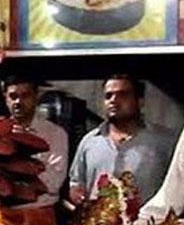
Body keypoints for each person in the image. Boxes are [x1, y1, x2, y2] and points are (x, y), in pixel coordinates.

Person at [69, 75, 177, 206]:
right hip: (99, 223)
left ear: (140, 101)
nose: (113, 100)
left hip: (147, 223)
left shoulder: (165, 141)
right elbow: (77, 182)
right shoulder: (90, 142)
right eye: (108, 96)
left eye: (123, 95)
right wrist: (76, 192)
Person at [0, 76, 68, 225]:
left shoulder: (55, 134)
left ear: (36, 97)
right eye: (13, 96)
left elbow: (53, 182)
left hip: (39, 218)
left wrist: (9, 181)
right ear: (5, 98)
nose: (18, 102)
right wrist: (30, 177)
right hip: (4, 219)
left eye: (25, 95)